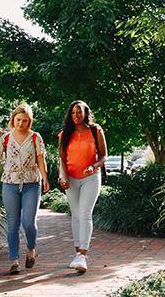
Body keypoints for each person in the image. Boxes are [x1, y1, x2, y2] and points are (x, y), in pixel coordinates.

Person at [0, 103, 49, 275]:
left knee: (29, 222)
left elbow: (41, 161)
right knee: (12, 223)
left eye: (25, 121)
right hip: (9, 183)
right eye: (18, 120)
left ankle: (31, 248)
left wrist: (45, 178)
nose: (21, 124)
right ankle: (14, 260)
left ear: (30, 122)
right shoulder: (6, 138)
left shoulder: (36, 137)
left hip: (31, 182)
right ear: (13, 119)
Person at [57, 100, 107, 273]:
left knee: (85, 213)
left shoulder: (95, 130)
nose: (76, 115)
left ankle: (83, 255)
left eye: (79, 112)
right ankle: (77, 253)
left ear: (86, 113)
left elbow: (103, 156)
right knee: (76, 215)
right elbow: (62, 159)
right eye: (73, 113)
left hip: (91, 178)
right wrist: (62, 177)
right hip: (71, 178)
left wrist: (93, 166)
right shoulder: (65, 134)